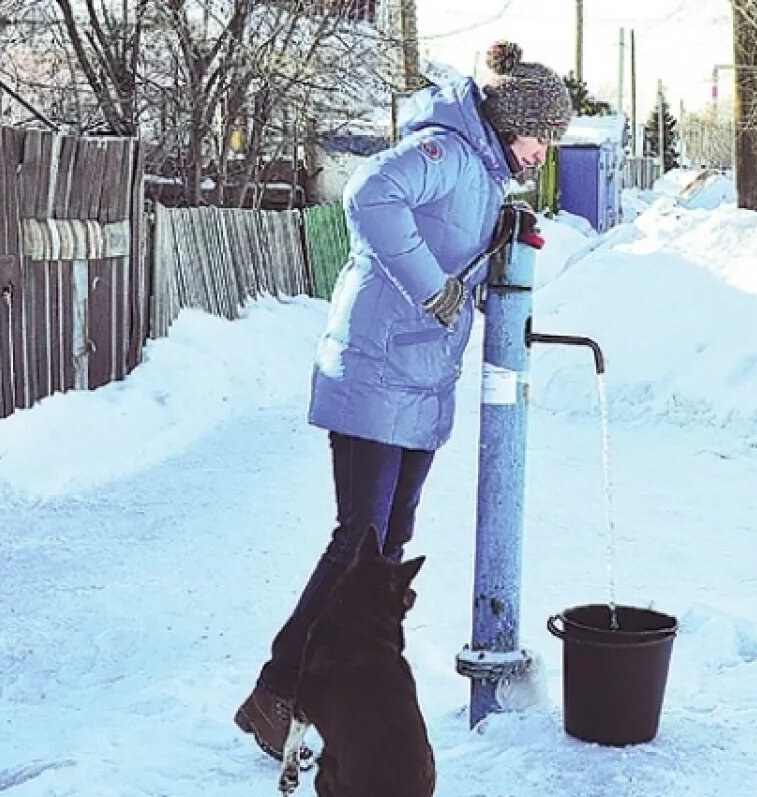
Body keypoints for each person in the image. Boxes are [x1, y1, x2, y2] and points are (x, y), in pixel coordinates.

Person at [233, 40, 574, 760]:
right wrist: (431, 286)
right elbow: (368, 196)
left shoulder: (483, 177)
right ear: (511, 121)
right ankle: (276, 691)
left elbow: (453, 263)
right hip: (375, 370)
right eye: (541, 137)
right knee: (359, 543)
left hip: (415, 382)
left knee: (384, 556)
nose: (544, 153)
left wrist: (494, 253)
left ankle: (341, 692)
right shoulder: (444, 153)